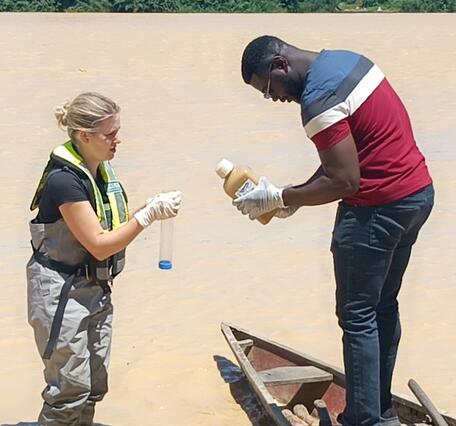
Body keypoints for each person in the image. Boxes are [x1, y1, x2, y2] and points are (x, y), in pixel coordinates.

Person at [235, 36, 434, 426]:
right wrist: (289, 199)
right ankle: (382, 411)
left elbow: (345, 181)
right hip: (416, 196)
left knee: (357, 315)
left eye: (268, 88)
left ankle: (363, 419)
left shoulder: (318, 98)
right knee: (382, 306)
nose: (272, 98)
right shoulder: (346, 62)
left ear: (279, 64)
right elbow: (347, 158)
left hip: (377, 211)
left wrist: (280, 195)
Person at [27, 92, 182, 426]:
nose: (118, 139)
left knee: (95, 386)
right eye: (110, 134)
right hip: (61, 293)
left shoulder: (99, 172)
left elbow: (110, 224)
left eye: (117, 130)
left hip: (96, 289)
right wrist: (147, 218)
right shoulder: (64, 181)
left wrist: (150, 206)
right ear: (85, 137)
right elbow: (98, 245)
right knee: (69, 392)